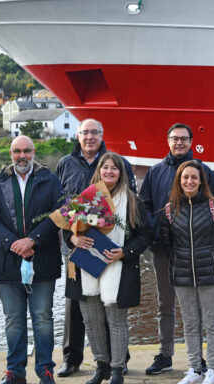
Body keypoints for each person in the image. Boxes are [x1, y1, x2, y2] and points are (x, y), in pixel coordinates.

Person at [55, 119, 136, 378]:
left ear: (102, 135)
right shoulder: (65, 164)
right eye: (85, 132)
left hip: (113, 250)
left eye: (95, 132)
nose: (90, 137)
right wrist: (71, 239)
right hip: (80, 250)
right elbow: (63, 210)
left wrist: (126, 247)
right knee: (80, 307)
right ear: (78, 136)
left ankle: (118, 363)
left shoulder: (119, 166)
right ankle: (74, 358)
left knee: (113, 309)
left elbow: (134, 216)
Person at [0, 135, 64, 384]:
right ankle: (15, 371)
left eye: (27, 151)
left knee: (42, 317)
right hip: (7, 262)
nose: (22, 156)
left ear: (34, 152)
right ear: (11, 153)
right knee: (14, 319)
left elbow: (58, 213)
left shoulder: (50, 180)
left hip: (43, 260)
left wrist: (33, 240)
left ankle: (45, 370)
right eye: (17, 151)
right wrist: (13, 244)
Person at [139, 123, 214, 375]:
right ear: (168, 141)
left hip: (195, 251)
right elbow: (144, 207)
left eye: (184, 139)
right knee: (166, 303)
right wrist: (158, 235)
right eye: (175, 139)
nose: (179, 143)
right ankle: (165, 354)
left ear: (191, 141)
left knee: (196, 306)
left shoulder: (204, 171)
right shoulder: (155, 172)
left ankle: (200, 361)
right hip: (163, 250)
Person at [65, 152, 150, 384]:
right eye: (105, 167)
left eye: (114, 168)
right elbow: (67, 227)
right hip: (86, 266)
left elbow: (145, 235)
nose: (109, 171)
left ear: (121, 173)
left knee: (116, 320)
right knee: (91, 320)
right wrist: (73, 239)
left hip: (118, 268)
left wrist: (125, 251)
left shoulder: (132, 201)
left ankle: (117, 369)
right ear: (99, 170)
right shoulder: (86, 198)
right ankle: (100, 366)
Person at [160, 160, 214, 384]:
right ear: (179, 181)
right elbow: (167, 243)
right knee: (190, 323)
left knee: (211, 322)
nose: (190, 181)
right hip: (183, 274)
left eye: (194, 177)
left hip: (210, 273)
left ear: (201, 180)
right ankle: (194, 368)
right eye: (185, 178)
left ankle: (212, 369)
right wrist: (180, 263)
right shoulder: (170, 210)